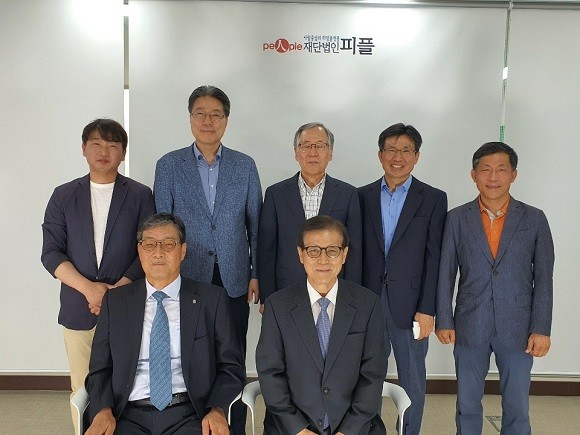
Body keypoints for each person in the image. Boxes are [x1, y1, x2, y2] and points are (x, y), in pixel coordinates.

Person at [154, 85, 262, 433]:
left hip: (234, 277)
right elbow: (162, 226)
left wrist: (256, 273)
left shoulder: (245, 166)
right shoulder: (169, 165)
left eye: (216, 114)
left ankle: (234, 425)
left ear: (226, 120)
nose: (207, 121)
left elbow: (256, 227)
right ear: (190, 119)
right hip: (187, 276)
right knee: (190, 355)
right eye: (200, 113)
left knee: (233, 356)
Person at [41, 118, 155, 433]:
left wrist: (116, 291)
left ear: (123, 153)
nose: (104, 152)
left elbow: (148, 248)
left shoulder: (140, 195)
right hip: (79, 307)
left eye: (112, 145)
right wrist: (90, 290)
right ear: (83, 148)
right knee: (82, 388)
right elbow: (51, 253)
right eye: (96, 144)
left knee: (127, 384)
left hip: (127, 305)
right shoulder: (63, 195)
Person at [85, 213, 245, 435]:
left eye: (168, 244)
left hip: (191, 414)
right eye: (149, 244)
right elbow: (99, 368)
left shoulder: (211, 299)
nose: (158, 252)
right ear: (139, 250)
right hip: (127, 414)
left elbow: (231, 366)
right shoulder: (116, 301)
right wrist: (103, 409)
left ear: (183, 251)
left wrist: (217, 409)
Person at [436, 142, 554, 434]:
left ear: (513, 175)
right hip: (470, 323)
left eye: (501, 169)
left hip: (519, 327)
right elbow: (445, 273)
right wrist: (444, 319)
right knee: (467, 404)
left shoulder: (534, 219)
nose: (493, 177)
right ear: (473, 175)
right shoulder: (456, 218)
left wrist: (541, 328)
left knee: (517, 406)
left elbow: (544, 277)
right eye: (485, 169)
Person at [257, 215, 387, 435]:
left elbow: (373, 375)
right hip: (293, 428)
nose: (323, 259)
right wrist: (298, 429)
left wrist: (349, 430)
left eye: (332, 250)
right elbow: (270, 374)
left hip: (354, 427)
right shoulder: (277, 306)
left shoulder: (368, 304)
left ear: (344, 254)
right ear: (301, 254)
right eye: (313, 251)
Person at [358, 123, 447, 435]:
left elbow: (434, 258)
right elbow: (355, 254)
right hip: (368, 302)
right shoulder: (362, 196)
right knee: (367, 377)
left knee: (412, 380)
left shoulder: (433, 198)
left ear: (416, 156)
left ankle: (409, 432)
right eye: (391, 150)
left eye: (406, 150)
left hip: (411, 307)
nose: (398, 157)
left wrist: (428, 309)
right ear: (380, 155)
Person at [258, 122, 362, 308]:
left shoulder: (348, 194)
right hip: (286, 287)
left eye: (320, 146)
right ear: (296, 152)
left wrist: (352, 296)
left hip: (334, 289)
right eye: (306, 145)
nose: (313, 152)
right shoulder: (276, 194)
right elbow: (267, 250)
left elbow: (353, 251)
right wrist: (267, 296)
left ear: (330, 153)